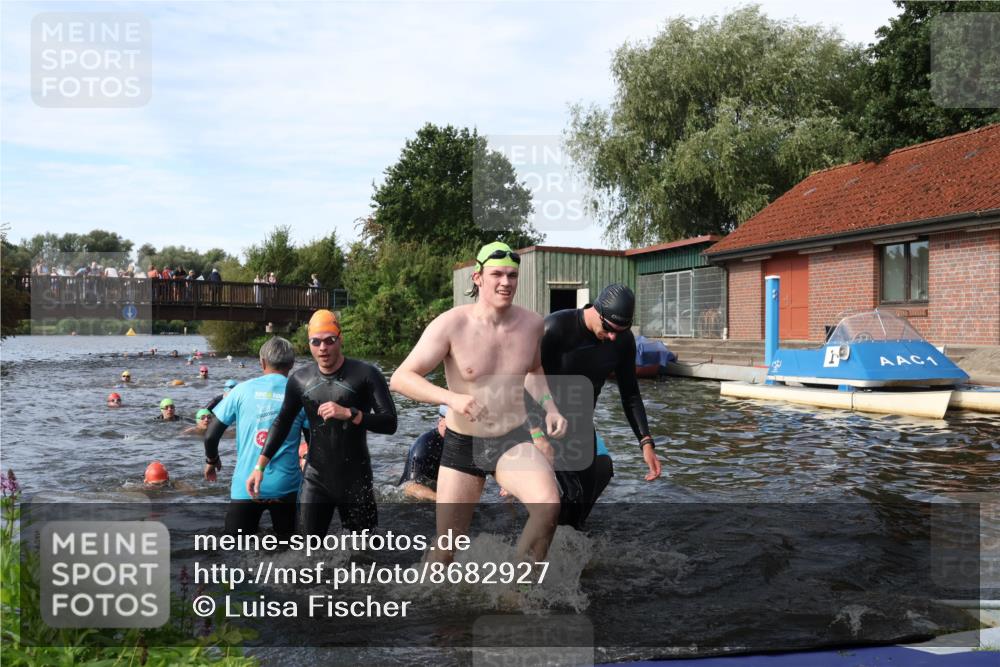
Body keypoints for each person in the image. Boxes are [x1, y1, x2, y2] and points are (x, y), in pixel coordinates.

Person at [389, 241, 568, 565]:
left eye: (512, 275)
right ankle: (424, 605)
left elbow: (533, 369)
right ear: (478, 277)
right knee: (445, 550)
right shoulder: (452, 324)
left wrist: (550, 407)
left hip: (511, 439)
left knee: (548, 506)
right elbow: (401, 378)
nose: (505, 282)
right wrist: (451, 398)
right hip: (463, 445)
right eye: (497, 274)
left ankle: (519, 592)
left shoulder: (531, 324)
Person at [246, 310, 397, 537]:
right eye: (316, 342)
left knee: (364, 555)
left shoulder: (366, 374)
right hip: (316, 479)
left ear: (340, 339)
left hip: (356, 478)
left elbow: (390, 423)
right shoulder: (300, 380)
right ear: (309, 343)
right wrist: (259, 467)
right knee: (305, 554)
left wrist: (351, 413)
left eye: (329, 340)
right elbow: (282, 422)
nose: (323, 348)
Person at [536, 283, 662, 528]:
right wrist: (534, 435)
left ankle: (566, 544)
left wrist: (645, 442)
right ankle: (543, 549)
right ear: (596, 310)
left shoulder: (622, 341)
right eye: (609, 328)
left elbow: (631, 394)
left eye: (621, 330)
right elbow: (524, 381)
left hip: (580, 425)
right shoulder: (554, 328)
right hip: (545, 421)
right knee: (572, 491)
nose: (613, 336)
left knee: (598, 476)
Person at [204, 337, 308, 538]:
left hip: (246, 485)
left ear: (261, 362)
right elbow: (314, 444)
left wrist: (212, 460)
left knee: (233, 550)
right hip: (285, 487)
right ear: (292, 364)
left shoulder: (241, 390)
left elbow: (210, 436)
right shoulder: (301, 394)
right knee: (290, 553)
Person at [397, 405, 448, 501]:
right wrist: (442, 499)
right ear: (440, 420)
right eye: (450, 425)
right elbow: (409, 487)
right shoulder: (425, 445)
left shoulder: (468, 443)